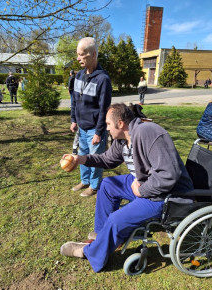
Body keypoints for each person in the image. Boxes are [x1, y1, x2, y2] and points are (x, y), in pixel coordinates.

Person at [60, 103, 194, 272]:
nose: (106, 129)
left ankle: (89, 252)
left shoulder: (149, 133)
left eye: (108, 124)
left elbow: (169, 175)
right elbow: (107, 160)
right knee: (108, 185)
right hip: (143, 183)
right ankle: (101, 237)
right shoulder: (122, 140)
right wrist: (80, 159)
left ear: (121, 123)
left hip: (166, 194)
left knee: (116, 219)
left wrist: (142, 191)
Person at [70, 37, 112, 197]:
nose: (78, 58)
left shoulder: (103, 79)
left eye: (82, 55)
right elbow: (74, 100)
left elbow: (104, 109)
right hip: (82, 127)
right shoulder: (79, 76)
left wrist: (99, 132)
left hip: (95, 129)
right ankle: (85, 180)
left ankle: (94, 186)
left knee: (95, 159)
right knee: (82, 157)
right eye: (77, 54)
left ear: (93, 54)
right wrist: (74, 119)